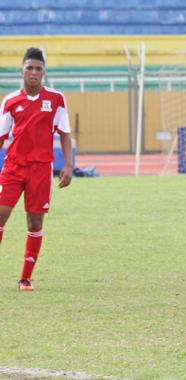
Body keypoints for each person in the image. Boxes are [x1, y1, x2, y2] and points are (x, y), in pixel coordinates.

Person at [0, 47, 73, 291]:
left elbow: (65, 134)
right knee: (1, 215)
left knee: (34, 223)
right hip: (13, 167)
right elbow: (1, 137)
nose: (34, 72)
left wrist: (69, 165)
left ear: (44, 73)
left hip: (41, 169)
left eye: (38, 68)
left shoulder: (56, 99)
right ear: (22, 70)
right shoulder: (10, 101)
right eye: (29, 67)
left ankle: (25, 279)